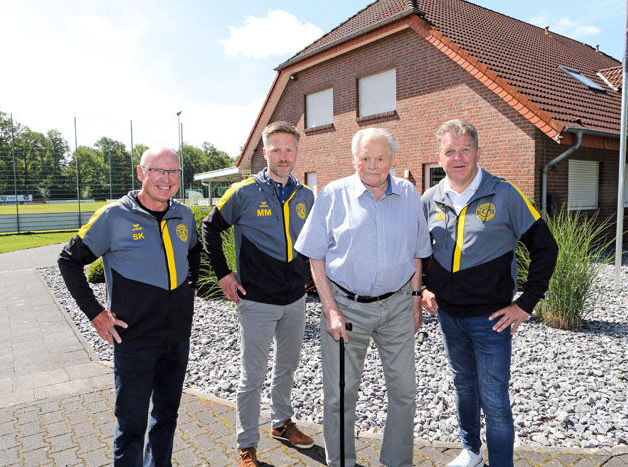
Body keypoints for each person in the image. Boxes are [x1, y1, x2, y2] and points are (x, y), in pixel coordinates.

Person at [421, 119, 558, 467]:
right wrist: (423, 288)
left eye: (465, 149)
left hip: (491, 320)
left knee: (494, 399)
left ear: (478, 152)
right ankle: (471, 452)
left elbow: (546, 248)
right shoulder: (430, 199)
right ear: (439, 157)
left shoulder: (505, 193)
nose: (458, 158)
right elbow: (419, 250)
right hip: (448, 317)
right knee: (463, 387)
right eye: (450, 151)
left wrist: (525, 304)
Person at [294, 127, 431, 467]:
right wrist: (330, 310)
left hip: (398, 305)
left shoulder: (409, 194)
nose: (372, 165)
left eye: (380, 157)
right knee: (340, 395)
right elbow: (315, 256)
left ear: (392, 160)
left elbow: (417, 251)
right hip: (346, 307)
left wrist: (415, 300)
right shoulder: (332, 195)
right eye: (365, 157)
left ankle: (397, 462)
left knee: (404, 393)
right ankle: (342, 462)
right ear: (353, 159)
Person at [57, 147, 201, 466]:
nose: (166, 179)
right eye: (158, 171)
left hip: (177, 337)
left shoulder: (184, 215)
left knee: (166, 418)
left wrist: (188, 289)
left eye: (173, 172)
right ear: (141, 173)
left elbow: (194, 250)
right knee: (131, 428)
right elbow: (68, 260)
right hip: (134, 341)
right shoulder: (113, 216)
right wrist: (96, 313)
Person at [201, 121, 316, 467]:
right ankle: (247, 443)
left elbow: (313, 243)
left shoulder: (306, 195)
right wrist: (223, 273)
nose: (283, 156)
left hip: (295, 300)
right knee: (252, 376)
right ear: (264, 152)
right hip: (256, 301)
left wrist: (311, 278)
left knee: (287, 366)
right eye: (276, 150)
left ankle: (281, 424)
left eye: (289, 149)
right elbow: (210, 226)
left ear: (297, 151)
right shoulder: (245, 192)